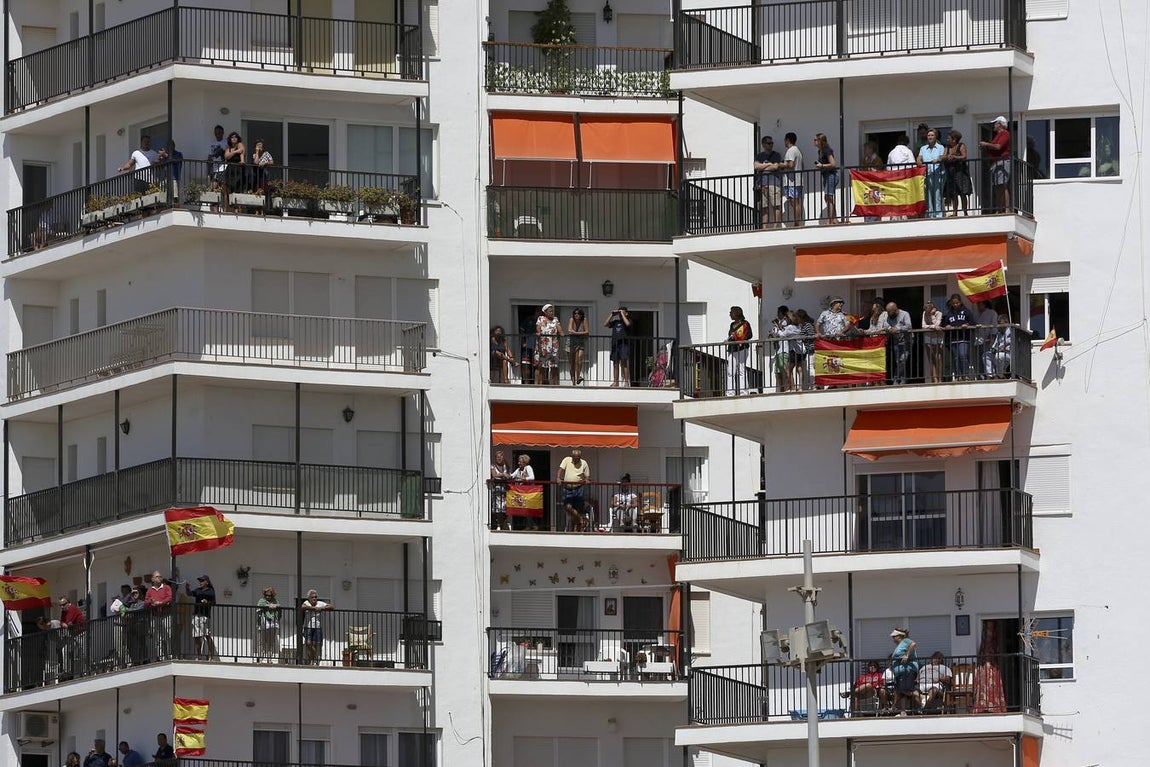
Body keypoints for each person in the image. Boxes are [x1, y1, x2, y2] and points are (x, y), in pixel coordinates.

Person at [979, 116, 1012, 213]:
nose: (994, 125)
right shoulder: (998, 135)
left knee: (1002, 185)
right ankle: (999, 209)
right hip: (995, 163)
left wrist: (986, 144)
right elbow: (994, 147)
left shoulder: (1005, 133)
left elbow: (998, 147)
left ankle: (1006, 209)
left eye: (995, 123)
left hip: (1002, 162)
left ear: (1000, 124)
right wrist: (985, 146)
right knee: (997, 187)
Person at [941, 293, 976, 380]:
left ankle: (965, 375)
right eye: (953, 303)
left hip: (963, 338)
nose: (955, 305)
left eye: (957, 303)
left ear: (960, 302)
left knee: (962, 355)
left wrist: (967, 324)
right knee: (956, 358)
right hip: (953, 339)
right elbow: (945, 324)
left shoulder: (966, 311)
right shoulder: (949, 314)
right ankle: (958, 375)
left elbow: (973, 322)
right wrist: (947, 326)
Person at [557, 448, 591, 532]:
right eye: (575, 458)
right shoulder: (567, 460)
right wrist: (558, 478)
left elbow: (587, 476)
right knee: (568, 506)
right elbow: (560, 469)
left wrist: (586, 480)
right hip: (567, 488)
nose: (576, 459)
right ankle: (581, 519)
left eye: (578, 458)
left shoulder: (584, 463)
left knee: (578, 508)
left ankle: (576, 529)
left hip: (578, 488)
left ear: (580, 457)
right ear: (572, 456)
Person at [879, 301, 913, 384]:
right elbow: (886, 326)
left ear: (894, 310)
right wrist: (889, 329)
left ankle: (896, 378)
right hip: (896, 341)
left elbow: (909, 326)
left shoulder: (905, 314)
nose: (888, 314)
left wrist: (897, 329)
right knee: (898, 361)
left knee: (903, 360)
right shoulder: (888, 317)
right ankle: (902, 379)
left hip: (906, 341)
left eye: (889, 312)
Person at [753, 135, 783, 229]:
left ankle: (776, 225)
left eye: (772, 143)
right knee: (764, 207)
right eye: (769, 143)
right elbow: (756, 167)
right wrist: (768, 164)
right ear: (763, 144)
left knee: (776, 205)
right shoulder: (760, 155)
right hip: (762, 184)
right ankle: (764, 227)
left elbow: (775, 167)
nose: (771, 145)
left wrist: (764, 165)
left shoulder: (776, 155)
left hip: (774, 183)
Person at [186, 574, 217, 661]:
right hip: (196, 615)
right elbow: (190, 594)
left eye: (202, 581)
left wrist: (207, 602)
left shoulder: (211, 591)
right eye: (200, 581)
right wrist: (187, 588)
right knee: (196, 636)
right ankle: (198, 656)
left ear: (207, 582)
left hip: (205, 616)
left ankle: (211, 656)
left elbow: (214, 603)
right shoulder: (198, 590)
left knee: (207, 635)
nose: (200, 582)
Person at [144, 570, 173, 660]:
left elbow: (169, 598)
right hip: (155, 616)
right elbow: (146, 602)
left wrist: (161, 603)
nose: (159, 578)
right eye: (157, 576)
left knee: (167, 636)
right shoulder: (150, 590)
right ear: (152, 579)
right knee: (157, 638)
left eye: (160, 576)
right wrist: (151, 602)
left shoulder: (166, 587)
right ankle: (161, 656)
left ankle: (169, 654)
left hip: (165, 615)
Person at [888, 627, 919, 714]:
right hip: (900, 672)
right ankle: (903, 711)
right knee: (901, 692)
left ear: (899, 636)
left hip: (907, 670)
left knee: (905, 689)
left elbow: (913, 644)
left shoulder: (905, 641)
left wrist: (907, 655)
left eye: (894, 636)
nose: (893, 639)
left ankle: (922, 697)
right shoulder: (899, 646)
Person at [769, 310, 801, 392]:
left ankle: (792, 387)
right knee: (796, 369)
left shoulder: (790, 327)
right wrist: (779, 326)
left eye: (786, 318)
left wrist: (777, 330)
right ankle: (796, 387)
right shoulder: (797, 326)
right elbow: (785, 331)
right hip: (799, 350)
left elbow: (782, 335)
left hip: (793, 350)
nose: (785, 320)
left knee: (787, 369)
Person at [917, 129, 946, 219]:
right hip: (927, 174)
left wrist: (937, 159)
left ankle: (938, 214)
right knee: (928, 195)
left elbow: (943, 156)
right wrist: (918, 161)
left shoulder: (940, 147)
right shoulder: (923, 148)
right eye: (929, 135)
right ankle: (930, 213)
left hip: (938, 174)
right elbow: (919, 157)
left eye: (932, 135)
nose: (930, 137)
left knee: (937, 194)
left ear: (935, 137)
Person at [943, 130, 972, 216]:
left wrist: (955, 156)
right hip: (951, 172)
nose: (948, 140)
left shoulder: (961, 145)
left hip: (960, 172)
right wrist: (946, 157)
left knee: (963, 193)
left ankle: (965, 212)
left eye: (949, 138)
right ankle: (955, 212)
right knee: (953, 193)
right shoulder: (948, 147)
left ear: (954, 139)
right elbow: (944, 156)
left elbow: (964, 156)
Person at [56, 595, 86, 679]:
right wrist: (64, 624)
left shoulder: (72, 608)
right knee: (65, 650)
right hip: (74, 635)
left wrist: (65, 624)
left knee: (82, 653)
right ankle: (66, 671)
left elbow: (68, 622)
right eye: (60, 605)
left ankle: (85, 670)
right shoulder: (64, 611)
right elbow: (62, 622)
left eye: (63, 604)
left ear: (68, 603)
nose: (62, 607)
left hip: (81, 634)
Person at [725, 306, 753, 396]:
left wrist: (740, 338)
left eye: (731, 312)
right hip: (732, 349)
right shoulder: (731, 324)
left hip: (742, 348)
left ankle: (743, 392)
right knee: (730, 371)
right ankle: (730, 392)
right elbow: (731, 336)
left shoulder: (745, 323)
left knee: (741, 370)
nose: (730, 314)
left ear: (736, 313)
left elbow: (749, 335)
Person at [301, 589, 333, 664]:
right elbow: (302, 607)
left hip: (317, 627)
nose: (314, 598)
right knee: (308, 643)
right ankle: (316, 657)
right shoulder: (306, 602)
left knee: (314, 644)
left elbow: (331, 607)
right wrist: (314, 608)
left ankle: (311, 662)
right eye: (312, 597)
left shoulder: (320, 603)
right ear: (309, 598)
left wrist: (321, 608)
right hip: (308, 627)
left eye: (315, 597)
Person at [813, 132, 839, 224]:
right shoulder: (820, 151)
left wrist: (822, 165)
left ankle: (830, 220)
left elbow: (833, 164)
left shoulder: (827, 150)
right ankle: (834, 218)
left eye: (815, 140)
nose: (814, 141)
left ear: (820, 141)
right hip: (826, 175)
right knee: (828, 197)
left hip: (831, 175)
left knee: (828, 197)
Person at [534, 303, 563, 386]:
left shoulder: (555, 319)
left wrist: (561, 332)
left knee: (554, 366)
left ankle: (555, 384)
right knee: (541, 365)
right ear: (545, 312)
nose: (552, 313)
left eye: (552, 311)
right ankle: (538, 384)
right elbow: (538, 329)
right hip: (543, 344)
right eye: (550, 311)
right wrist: (539, 333)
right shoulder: (540, 318)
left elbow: (560, 331)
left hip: (553, 345)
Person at [779, 132, 804, 226]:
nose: (784, 142)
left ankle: (797, 223)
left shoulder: (791, 150)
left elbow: (791, 165)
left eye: (785, 140)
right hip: (796, 180)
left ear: (788, 140)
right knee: (793, 201)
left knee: (794, 202)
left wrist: (780, 164)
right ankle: (797, 222)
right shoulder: (797, 150)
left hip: (792, 181)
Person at [604, 306, 632, 387]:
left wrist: (622, 314)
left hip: (624, 344)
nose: (620, 314)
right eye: (620, 313)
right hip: (615, 344)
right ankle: (616, 382)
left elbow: (628, 324)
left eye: (622, 312)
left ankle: (626, 382)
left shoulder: (628, 320)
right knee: (615, 363)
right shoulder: (616, 322)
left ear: (626, 313)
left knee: (624, 363)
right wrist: (612, 315)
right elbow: (605, 324)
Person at [860, 141, 885, 222]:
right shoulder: (864, 160)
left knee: (876, 202)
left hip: (875, 185)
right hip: (866, 185)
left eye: (865, 149)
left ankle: (876, 220)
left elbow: (879, 171)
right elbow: (862, 170)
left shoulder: (877, 159)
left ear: (871, 149)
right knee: (867, 202)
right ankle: (868, 220)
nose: (864, 151)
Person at [222, 131, 247, 212]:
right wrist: (235, 151)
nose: (234, 138)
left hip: (238, 169)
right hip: (230, 170)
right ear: (230, 139)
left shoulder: (240, 144)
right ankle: (228, 208)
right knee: (228, 188)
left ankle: (238, 209)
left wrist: (242, 161)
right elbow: (226, 157)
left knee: (238, 188)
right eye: (232, 137)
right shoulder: (228, 149)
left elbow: (242, 151)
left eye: (235, 137)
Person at [256, 586, 281, 663]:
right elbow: (259, 607)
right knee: (261, 642)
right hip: (263, 623)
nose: (267, 597)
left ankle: (269, 659)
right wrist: (267, 606)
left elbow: (279, 607)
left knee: (270, 642)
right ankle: (260, 658)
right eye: (266, 595)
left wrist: (276, 606)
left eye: (269, 595)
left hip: (272, 623)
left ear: (272, 595)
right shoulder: (261, 600)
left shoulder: (275, 601)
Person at [922, 301, 945, 383]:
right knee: (931, 359)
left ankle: (940, 378)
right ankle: (934, 378)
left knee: (938, 358)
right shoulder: (924, 313)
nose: (926, 310)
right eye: (926, 308)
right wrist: (932, 326)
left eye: (928, 308)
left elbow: (937, 323)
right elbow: (923, 326)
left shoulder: (939, 313)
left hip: (938, 337)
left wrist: (932, 316)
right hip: (928, 337)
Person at [793, 308, 816, 390]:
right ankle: (812, 384)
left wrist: (803, 338)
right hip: (807, 349)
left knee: (810, 367)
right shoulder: (803, 326)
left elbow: (812, 335)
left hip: (811, 349)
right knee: (809, 367)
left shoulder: (808, 325)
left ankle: (813, 385)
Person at [109, 584, 132, 666]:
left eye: (124, 590)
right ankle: (121, 662)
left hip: (124, 623)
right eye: (122, 590)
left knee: (124, 644)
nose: (123, 592)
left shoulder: (130, 598)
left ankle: (127, 661)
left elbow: (124, 606)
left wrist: (119, 604)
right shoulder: (121, 599)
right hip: (118, 624)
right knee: (118, 645)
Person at [489, 450, 513, 530]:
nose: (499, 458)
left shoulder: (506, 466)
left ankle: (505, 522)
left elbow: (509, 475)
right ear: (495, 458)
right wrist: (503, 475)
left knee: (506, 508)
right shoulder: (493, 466)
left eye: (501, 456)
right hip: (497, 490)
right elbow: (494, 475)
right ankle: (499, 524)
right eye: (498, 457)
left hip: (505, 490)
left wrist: (507, 476)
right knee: (498, 508)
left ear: (503, 457)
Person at [976, 300, 1000, 378]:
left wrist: (990, 337)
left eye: (980, 304)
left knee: (989, 357)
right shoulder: (977, 314)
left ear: (984, 304)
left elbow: (994, 326)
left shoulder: (992, 313)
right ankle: (982, 376)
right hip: (979, 340)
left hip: (988, 340)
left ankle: (991, 375)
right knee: (980, 359)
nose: (979, 306)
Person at [567, 308, 589, 385]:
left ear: (581, 315)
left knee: (579, 358)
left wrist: (575, 333)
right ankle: (573, 381)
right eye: (575, 313)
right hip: (571, 342)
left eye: (578, 313)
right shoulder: (571, 319)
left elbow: (587, 331)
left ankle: (578, 376)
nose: (576, 315)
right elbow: (570, 330)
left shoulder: (584, 320)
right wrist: (580, 333)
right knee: (572, 363)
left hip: (580, 342)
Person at [990, 313, 1013, 378]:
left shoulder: (1011, 330)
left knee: (998, 356)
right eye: (998, 323)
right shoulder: (999, 333)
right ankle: (991, 375)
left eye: (1000, 323)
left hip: (1008, 353)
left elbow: (1010, 341)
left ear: (1006, 322)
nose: (999, 325)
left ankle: (1000, 375)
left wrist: (1003, 347)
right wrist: (993, 348)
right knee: (986, 355)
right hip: (998, 352)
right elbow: (995, 344)